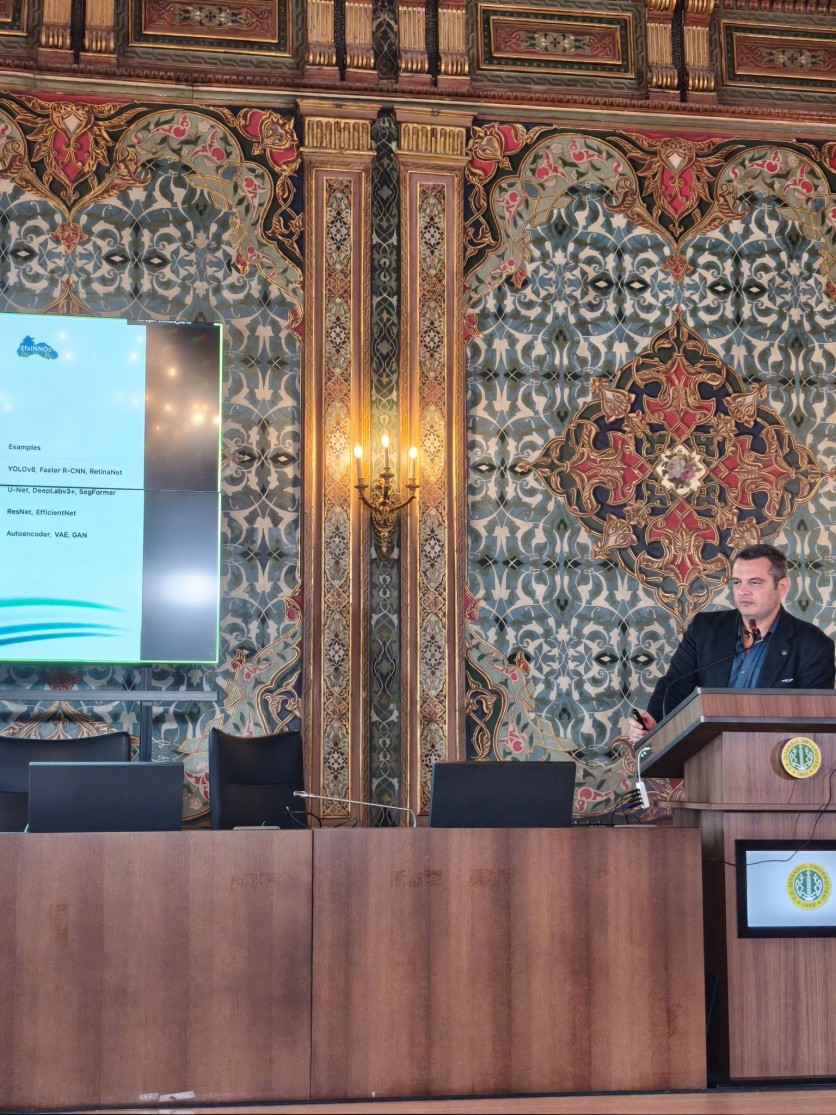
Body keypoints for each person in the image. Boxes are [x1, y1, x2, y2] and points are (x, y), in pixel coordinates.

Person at [629, 544, 836, 746]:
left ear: (781, 587)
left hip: (774, 756)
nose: (743, 591)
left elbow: (813, 722)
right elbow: (674, 685)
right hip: (707, 754)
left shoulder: (813, 645)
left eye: (754, 582)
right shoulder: (704, 629)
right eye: (737, 582)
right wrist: (654, 721)